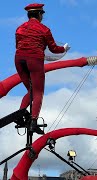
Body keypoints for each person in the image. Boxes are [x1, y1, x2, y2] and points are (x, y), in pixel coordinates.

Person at [15, 3, 70, 134]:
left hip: (18, 59)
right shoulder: (44, 29)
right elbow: (53, 49)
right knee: (38, 92)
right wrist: (64, 49)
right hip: (34, 60)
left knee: (31, 91)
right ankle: (33, 122)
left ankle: (19, 115)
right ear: (39, 14)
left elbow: (18, 45)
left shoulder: (19, 28)